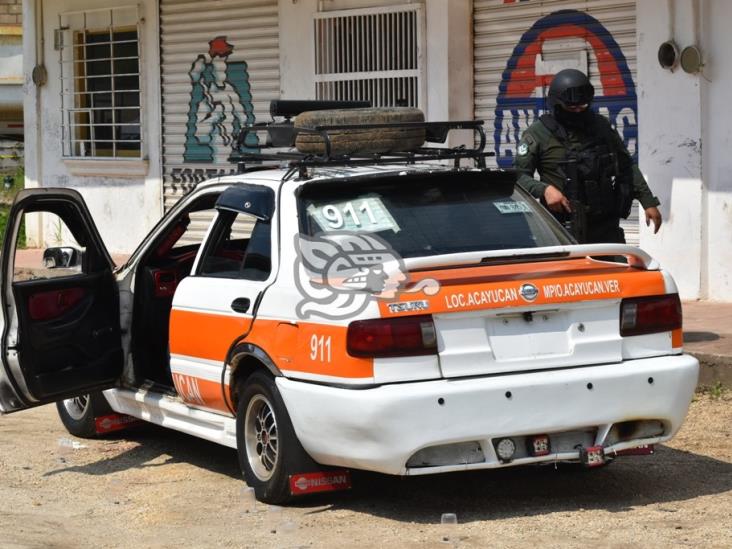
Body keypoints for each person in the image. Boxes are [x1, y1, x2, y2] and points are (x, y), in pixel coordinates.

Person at [514, 69, 662, 244]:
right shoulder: (539, 133)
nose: (577, 111)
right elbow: (518, 176)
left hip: (606, 225)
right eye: (571, 107)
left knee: (616, 270)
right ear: (556, 104)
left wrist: (648, 201)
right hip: (562, 227)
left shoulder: (600, 126)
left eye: (582, 106)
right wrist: (544, 190)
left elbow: (625, 165)